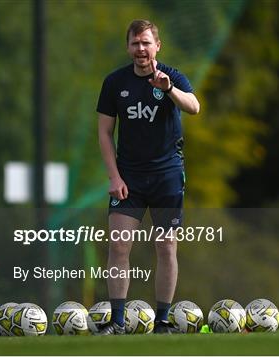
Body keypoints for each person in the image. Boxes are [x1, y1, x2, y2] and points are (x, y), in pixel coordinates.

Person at [96, 19, 200, 335]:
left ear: (157, 46)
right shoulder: (115, 83)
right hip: (129, 178)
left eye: (146, 43)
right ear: (128, 47)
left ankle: (163, 321)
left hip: (167, 176)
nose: (141, 49)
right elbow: (104, 132)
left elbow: (194, 107)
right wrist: (114, 178)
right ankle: (116, 322)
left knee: (166, 246)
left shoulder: (172, 77)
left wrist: (168, 88)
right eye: (135, 43)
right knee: (118, 246)